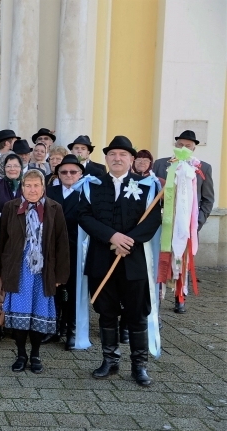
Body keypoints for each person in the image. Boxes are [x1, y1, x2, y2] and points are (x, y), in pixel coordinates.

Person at [78, 135, 162, 387]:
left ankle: (139, 365)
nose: (117, 158)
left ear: (132, 159)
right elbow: (84, 216)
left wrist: (128, 242)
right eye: (112, 154)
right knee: (106, 312)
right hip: (101, 260)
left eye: (123, 155)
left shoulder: (147, 187)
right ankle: (110, 361)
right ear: (106, 158)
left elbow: (152, 220)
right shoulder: (91, 185)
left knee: (137, 313)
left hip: (133, 260)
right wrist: (112, 236)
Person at [0, 169, 69, 374]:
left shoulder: (54, 208)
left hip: (43, 271)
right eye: (28, 185)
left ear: (43, 187)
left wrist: (60, 276)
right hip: (18, 269)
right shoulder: (11, 207)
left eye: (36, 185)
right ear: (22, 187)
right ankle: (20, 354)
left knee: (38, 316)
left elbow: (62, 243)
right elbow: (1, 240)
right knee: (20, 316)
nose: (32, 190)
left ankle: (35, 355)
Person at [46, 154, 84, 350]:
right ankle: (54, 328)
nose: (69, 175)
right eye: (64, 172)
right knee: (54, 289)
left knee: (72, 291)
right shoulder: (50, 192)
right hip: (53, 249)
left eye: (73, 171)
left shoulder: (87, 192)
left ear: (80, 174)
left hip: (76, 249)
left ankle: (71, 330)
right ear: (58, 174)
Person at [152, 130, 213, 232]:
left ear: (193, 149)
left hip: (189, 224)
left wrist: (198, 221)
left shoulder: (203, 168)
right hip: (161, 223)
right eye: (180, 144)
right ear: (175, 146)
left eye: (188, 146)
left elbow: (208, 199)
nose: (183, 148)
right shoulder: (160, 164)